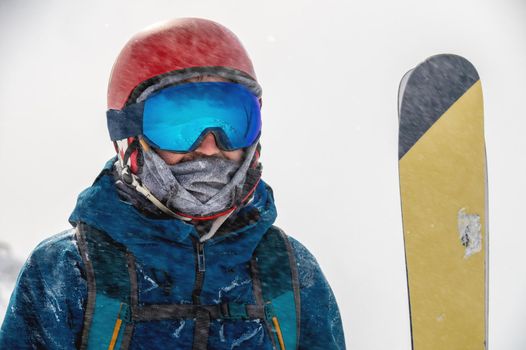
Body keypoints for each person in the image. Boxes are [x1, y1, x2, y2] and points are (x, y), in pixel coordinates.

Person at [0, 18, 345, 349]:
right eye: (180, 124)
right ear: (128, 136)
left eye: (232, 121)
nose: (210, 146)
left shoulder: (288, 273)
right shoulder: (68, 272)